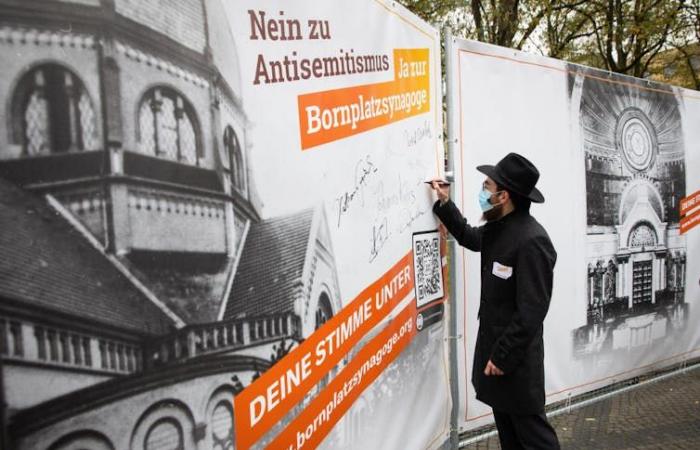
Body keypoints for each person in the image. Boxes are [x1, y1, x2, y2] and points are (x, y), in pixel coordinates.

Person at [431, 152, 560, 450]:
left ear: (503, 196)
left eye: (486, 186)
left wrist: (502, 357)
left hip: (514, 364)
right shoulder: (498, 229)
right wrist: (445, 204)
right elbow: (468, 236)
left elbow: (531, 312)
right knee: (510, 440)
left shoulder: (532, 241)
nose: (482, 191)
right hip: (495, 361)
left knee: (536, 440)